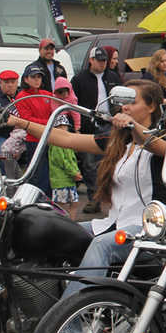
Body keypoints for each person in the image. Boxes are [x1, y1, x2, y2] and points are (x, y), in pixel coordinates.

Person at [6, 80, 166, 296]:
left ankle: (69, 322)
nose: (125, 107)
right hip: (110, 224)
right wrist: (23, 123)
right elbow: (65, 138)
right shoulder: (119, 142)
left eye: (132, 102)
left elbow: (157, 146)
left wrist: (133, 125)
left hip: (147, 230)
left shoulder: (164, 139)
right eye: (123, 102)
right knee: (50, 231)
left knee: (102, 245)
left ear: (151, 106)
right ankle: (0, 310)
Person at [71, 47, 120, 213]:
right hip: (89, 125)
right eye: (99, 60)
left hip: (111, 123)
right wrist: (78, 125)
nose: (102, 63)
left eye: (104, 60)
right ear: (91, 60)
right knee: (89, 164)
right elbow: (73, 103)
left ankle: (113, 198)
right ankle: (94, 198)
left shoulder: (113, 77)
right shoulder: (79, 79)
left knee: (111, 163)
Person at [14, 64, 55, 195]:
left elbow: (57, 111)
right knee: (38, 172)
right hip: (34, 139)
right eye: (33, 77)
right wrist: (49, 122)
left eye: (39, 77)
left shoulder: (48, 94)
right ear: (26, 79)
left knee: (52, 171)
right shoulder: (22, 96)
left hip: (51, 137)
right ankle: (38, 198)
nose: (37, 80)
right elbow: (26, 120)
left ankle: (48, 198)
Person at [49, 113, 82, 219]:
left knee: (74, 203)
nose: (65, 129)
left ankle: (71, 224)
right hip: (61, 181)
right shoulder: (56, 144)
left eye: (65, 126)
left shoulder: (66, 143)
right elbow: (62, 162)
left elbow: (72, 159)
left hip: (69, 180)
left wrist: (76, 172)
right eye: (61, 127)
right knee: (61, 206)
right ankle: (60, 225)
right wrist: (74, 172)